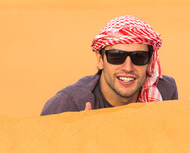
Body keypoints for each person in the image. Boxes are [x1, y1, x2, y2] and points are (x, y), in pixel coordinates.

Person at [41, 15, 178, 116]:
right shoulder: (69, 104)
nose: (128, 67)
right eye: (116, 56)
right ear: (100, 59)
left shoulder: (164, 92)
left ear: (149, 63)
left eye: (139, 57)